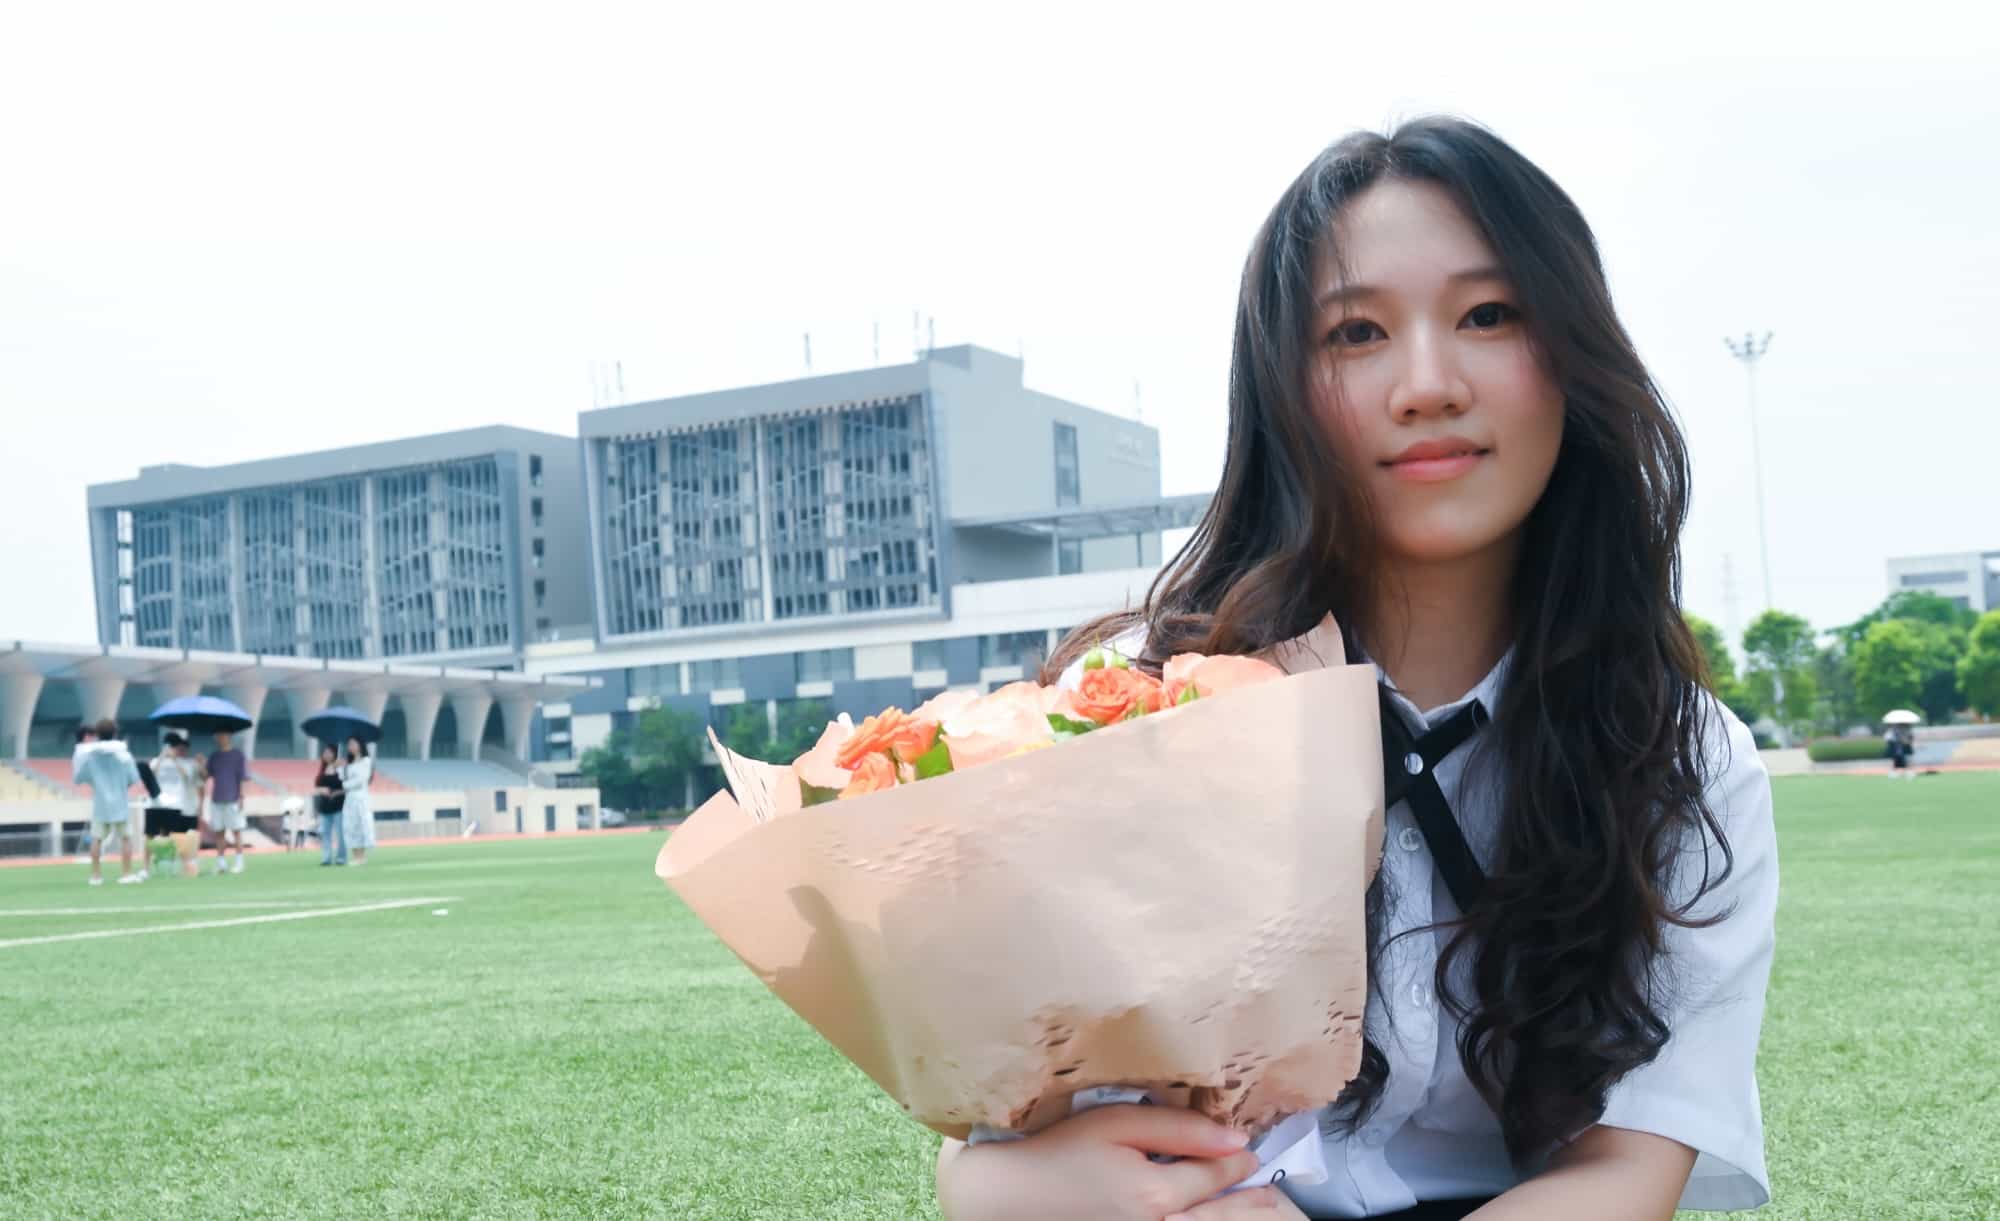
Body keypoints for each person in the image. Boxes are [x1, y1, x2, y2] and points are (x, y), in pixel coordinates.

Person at [937, 118, 1778, 1221]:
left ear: (1573, 356)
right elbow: (1008, 1134)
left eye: (1489, 315)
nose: (1425, 386)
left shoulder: (1674, 757)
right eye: (1355, 332)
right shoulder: (1131, 716)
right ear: (1280, 393)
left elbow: (1626, 1167)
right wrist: (997, 1182)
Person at [72, 720, 144, 886]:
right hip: (120, 802)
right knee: (125, 838)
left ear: (98, 734)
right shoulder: (124, 756)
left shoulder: (91, 757)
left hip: (100, 803)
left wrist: (97, 783)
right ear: (115, 733)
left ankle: (96, 876)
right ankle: (126, 874)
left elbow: (80, 778)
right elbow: (133, 778)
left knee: (97, 839)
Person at [147, 732, 204, 878]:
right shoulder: (156, 761)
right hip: (159, 805)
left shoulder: (186, 763)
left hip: (176, 806)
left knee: (178, 838)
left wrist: (174, 760)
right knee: (156, 837)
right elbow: (151, 773)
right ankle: (155, 866)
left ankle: (186, 866)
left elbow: (186, 776)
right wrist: (162, 756)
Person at [203, 729, 249, 874]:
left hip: (232, 798)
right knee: (219, 832)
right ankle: (221, 862)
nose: (220, 738)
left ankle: (239, 862)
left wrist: (241, 797)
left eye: (223, 735)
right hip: (217, 799)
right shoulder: (214, 756)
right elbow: (205, 776)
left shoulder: (238, 755)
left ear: (229, 737)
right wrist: (201, 764)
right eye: (218, 736)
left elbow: (242, 778)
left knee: (236, 831)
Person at [338, 736, 375, 866]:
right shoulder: (348, 764)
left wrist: (345, 785)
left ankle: (361, 856)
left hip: (360, 797)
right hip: (350, 799)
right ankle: (355, 856)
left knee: (361, 825)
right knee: (350, 826)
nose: (351, 747)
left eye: (353, 744)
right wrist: (340, 768)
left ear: (360, 745)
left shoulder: (366, 761)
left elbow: (361, 780)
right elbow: (341, 778)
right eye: (349, 744)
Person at [314, 744, 347, 866]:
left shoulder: (341, 768)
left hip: (338, 805)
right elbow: (317, 785)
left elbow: (346, 786)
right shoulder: (323, 769)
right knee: (325, 833)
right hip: (325, 806)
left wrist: (336, 792)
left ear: (334, 754)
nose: (327, 755)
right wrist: (322, 790)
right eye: (325, 753)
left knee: (340, 833)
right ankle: (326, 858)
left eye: (329, 752)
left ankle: (341, 858)